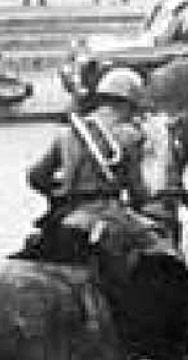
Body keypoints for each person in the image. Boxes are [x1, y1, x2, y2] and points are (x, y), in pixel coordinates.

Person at [22, 67, 150, 266]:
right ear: (130, 102)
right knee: (155, 258)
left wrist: (59, 189)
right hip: (109, 214)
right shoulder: (130, 135)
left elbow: (36, 177)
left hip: (67, 215)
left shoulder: (67, 133)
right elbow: (138, 192)